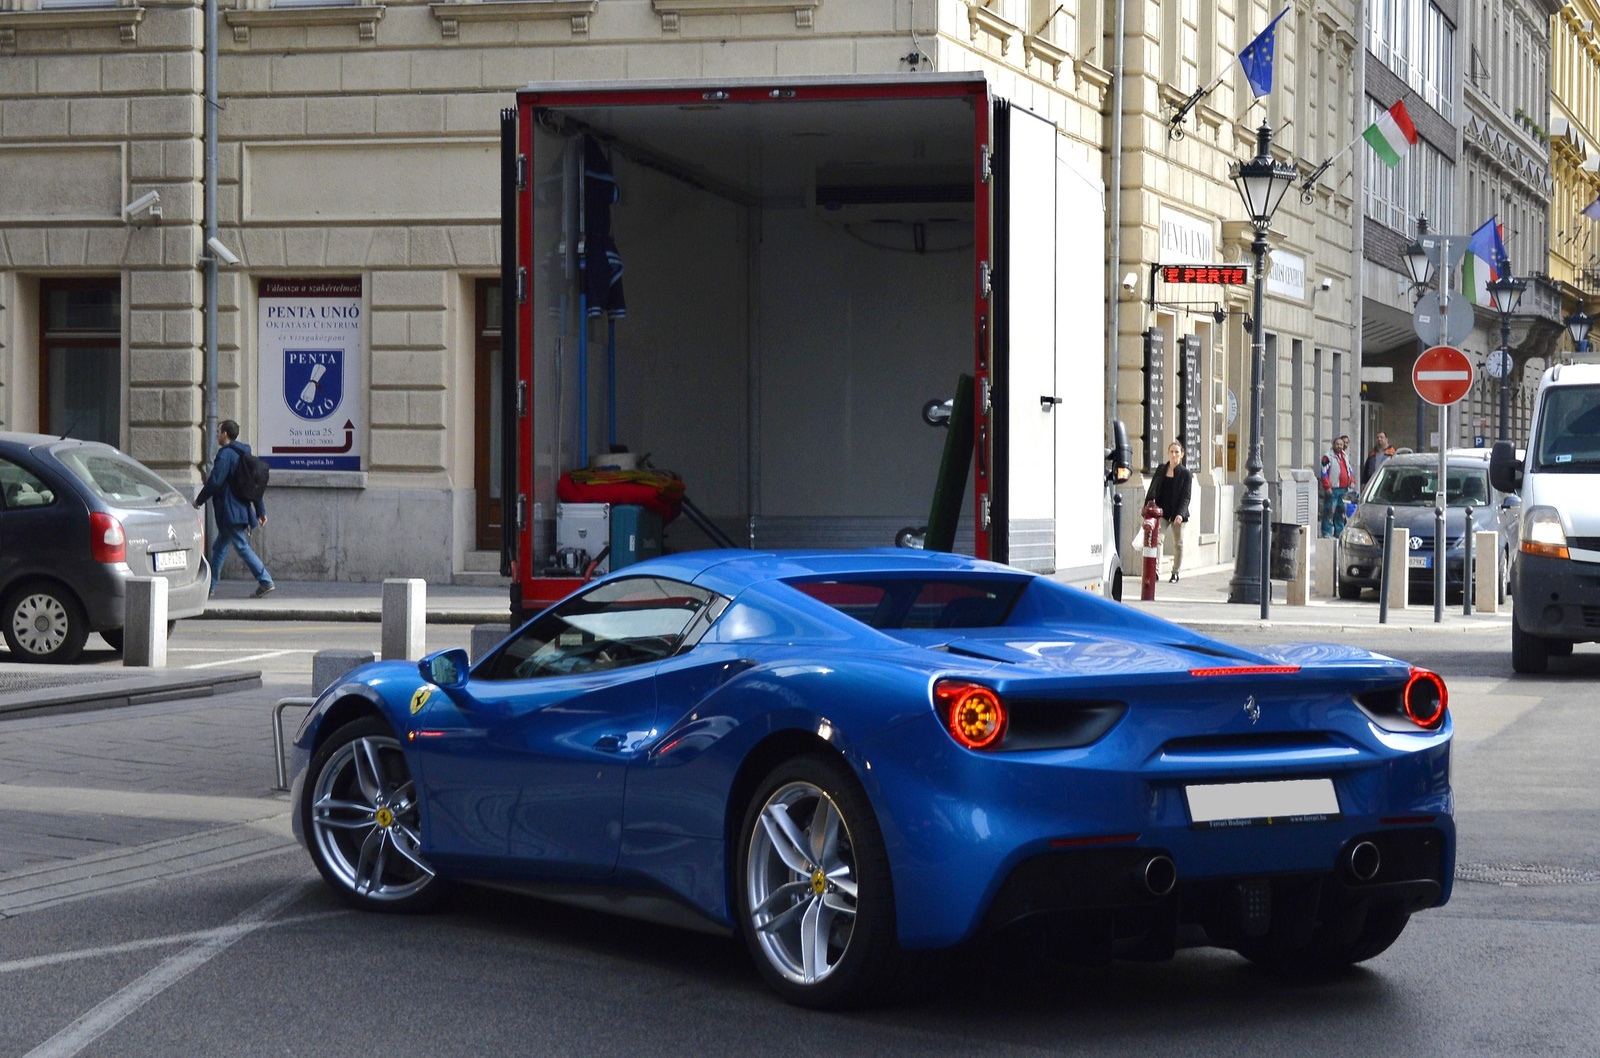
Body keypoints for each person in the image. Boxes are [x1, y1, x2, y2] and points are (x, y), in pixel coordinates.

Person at [194, 420, 274, 598]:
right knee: (219, 549)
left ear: (225, 434)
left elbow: (215, 481)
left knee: (241, 547)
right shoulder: (243, 454)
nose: (216, 435)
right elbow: (254, 487)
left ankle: (265, 580)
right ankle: (210, 586)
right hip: (240, 509)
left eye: (217, 432)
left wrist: (198, 500)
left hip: (230, 511)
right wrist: (260, 511)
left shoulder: (226, 455)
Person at [1143, 441, 1193, 583]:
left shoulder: (1186, 474)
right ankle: (1155, 571)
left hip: (1177, 513)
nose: (1174, 454)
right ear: (1168, 453)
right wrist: (1148, 506)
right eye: (1171, 451)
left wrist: (1180, 514)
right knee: (1157, 539)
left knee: (1179, 544)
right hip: (1162, 512)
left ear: (1181, 455)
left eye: (1177, 452)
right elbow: (1153, 488)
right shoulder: (1161, 469)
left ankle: (1175, 572)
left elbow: (1186, 496)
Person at [1319, 434, 1354, 538]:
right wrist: (1327, 487)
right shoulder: (1328, 457)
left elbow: (1350, 471)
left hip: (1344, 490)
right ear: (1333, 445)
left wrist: (1351, 481)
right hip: (1333, 489)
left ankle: (1339, 533)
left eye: (1341, 444)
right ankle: (1327, 532)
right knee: (1330, 511)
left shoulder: (1345, 456)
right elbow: (1324, 473)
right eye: (1337, 444)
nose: (1339, 446)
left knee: (1341, 512)